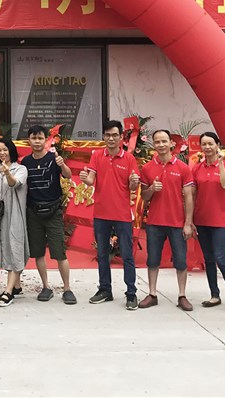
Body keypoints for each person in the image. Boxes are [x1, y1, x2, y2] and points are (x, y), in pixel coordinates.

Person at [82, 119, 141, 310]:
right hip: (101, 213)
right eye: (107, 135)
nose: (111, 138)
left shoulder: (129, 159)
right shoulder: (97, 156)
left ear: (121, 137)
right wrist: (85, 179)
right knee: (102, 254)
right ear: (103, 136)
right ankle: (105, 290)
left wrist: (134, 181)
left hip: (122, 214)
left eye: (115, 135)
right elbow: (90, 180)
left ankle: (131, 293)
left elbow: (133, 186)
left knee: (127, 255)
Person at [138, 129, 195, 311]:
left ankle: (182, 295)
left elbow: (188, 197)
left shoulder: (183, 168)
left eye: (164, 141)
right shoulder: (147, 168)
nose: (161, 145)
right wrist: (151, 189)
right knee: (152, 260)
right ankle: (152, 293)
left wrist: (188, 223)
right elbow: (144, 197)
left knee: (181, 261)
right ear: (153, 144)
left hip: (177, 222)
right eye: (157, 142)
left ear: (171, 143)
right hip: (155, 222)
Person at [20, 125, 75, 305]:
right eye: (33, 138)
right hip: (34, 212)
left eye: (40, 138)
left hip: (53, 212)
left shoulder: (53, 158)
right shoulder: (25, 162)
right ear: (29, 140)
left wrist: (62, 164)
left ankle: (67, 289)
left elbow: (68, 176)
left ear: (46, 140)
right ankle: (45, 287)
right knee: (38, 253)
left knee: (60, 253)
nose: (37, 142)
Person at [192, 131, 225, 315]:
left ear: (217, 145)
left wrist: (220, 163)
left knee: (221, 259)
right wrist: (190, 220)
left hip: (219, 221)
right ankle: (215, 295)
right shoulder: (197, 168)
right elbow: (192, 194)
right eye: (204, 144)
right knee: (208, 259)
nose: (207, 147)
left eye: (210, 144)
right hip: (201, 220)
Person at [0, 136, 28, 307]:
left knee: (14, 247)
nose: (2, 153)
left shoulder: (21, 169)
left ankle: (8, 292)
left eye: (5, 149)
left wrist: (8, 173)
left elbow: (14, 184)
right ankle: (16, 286)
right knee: (4, 246)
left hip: (15, 214)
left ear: (11, 151)